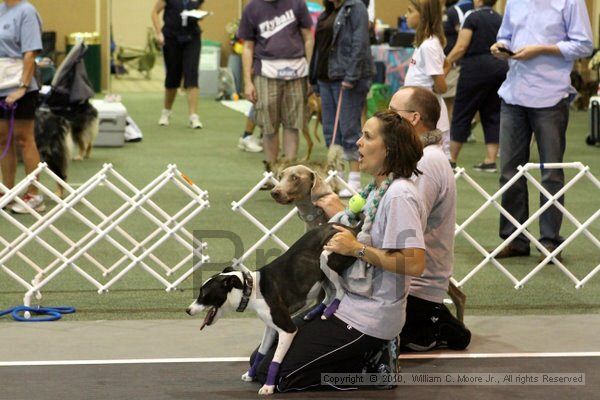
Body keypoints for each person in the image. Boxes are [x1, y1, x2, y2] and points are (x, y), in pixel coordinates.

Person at [250, 110, 426, 392]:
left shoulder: (399, 196)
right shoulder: (375, 189)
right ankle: (363, 355)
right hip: (346, 303)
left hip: (370, 316)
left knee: (282, 377)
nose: (358, 143)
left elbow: (415, 263)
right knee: (259, 364)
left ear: (389, 149)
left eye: (367, 137)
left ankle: (373, 365)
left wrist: (357, 249)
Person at [490, 0, 592, 261]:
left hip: (551, 96)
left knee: (551, 174)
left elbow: (584, 44)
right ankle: (514, 239)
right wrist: (501, 46)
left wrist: (542, 50)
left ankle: (549, 241)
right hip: (513, 95)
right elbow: (505, 35)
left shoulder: (571, 2)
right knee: (509, 173)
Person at [390, 86, 471, 351]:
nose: (386, 119)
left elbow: (406, 229)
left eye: (393, 113)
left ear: (413, 118)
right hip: (408, 283)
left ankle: (436, 324)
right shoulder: (422, 157)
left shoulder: (425, 162)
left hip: (414, 289)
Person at [238, 0, 314, 173]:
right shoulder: (252, 8)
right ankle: (271, 173)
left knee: (293, 125)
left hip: (297, 72)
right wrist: (248, 82)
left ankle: (289, 174)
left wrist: (311, 72)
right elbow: (247, 47)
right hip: (266, 73)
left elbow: (308, 38)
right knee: (269, 125)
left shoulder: (297, 4)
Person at [309, 0, 374, 197]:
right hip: (325, 78)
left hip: (347, 79)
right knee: (330, 131)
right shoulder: (326, 12)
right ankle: (336, 178)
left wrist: (351, 75)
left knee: (349, 129)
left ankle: (354, 181)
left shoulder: (356, 8)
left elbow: (360, 42)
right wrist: (314, 79)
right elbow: (319, 47)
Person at [445, 0, 508, 172]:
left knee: (462, 111)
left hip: (475, 69)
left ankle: (451, 159)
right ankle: (490, 160)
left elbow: (461, 46)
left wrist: (446, 62)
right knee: (493, 112)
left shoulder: (471, 16)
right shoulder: (500, 18)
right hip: (499, 68)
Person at [0, 0, 45, 213]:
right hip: (1, 83)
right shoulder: (1, 10)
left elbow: (30, 53)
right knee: (2, 139)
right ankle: (7, 190)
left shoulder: (27, 11)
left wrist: (22, 87)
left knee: (24, 139)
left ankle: (34, 194)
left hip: (21, 85)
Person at [404, 0, 451, 159]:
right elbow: (446, 63)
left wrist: (437, 83)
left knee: (433, 160)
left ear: (423, 16)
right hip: (420, 111)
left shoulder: (429, 46)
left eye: (410, 11)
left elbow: (441, 87)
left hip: (430, 116)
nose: (406, 15)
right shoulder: (424, 43)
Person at [151, 0, 205, 129]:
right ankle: (166, 112)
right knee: (172, 76)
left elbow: (201, 13)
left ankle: (193, 116)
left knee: (192, 75)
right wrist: (159, 33)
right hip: (171, 38)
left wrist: (200, 14)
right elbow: (154, 12)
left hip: (192, 38)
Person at [441, 0, 473, 123]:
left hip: (452, 64)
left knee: (448, 101)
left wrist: (451, 60)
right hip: (440, 62)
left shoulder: (454, 11)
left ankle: (449, 136)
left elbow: (462, 37)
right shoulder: (438, 12)